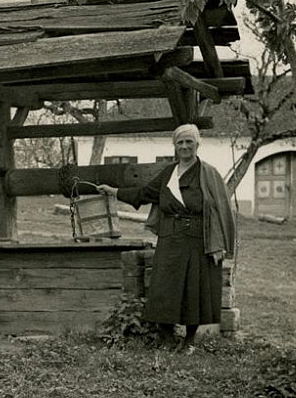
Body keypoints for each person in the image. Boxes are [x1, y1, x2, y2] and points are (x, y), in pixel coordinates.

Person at [97, 124, 235, 351]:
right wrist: (115, 191)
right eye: (180, 142)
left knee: (194, 289)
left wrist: (219, 244)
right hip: (170, 238)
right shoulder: (168, 173)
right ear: (174, 146)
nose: (184, 146)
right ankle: (167, 337)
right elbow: (144, 194)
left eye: (189, 142)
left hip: (197, 239)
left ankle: (189, 341)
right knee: (164, 287)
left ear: (197, 144)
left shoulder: (208, 174)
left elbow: (221, 209)